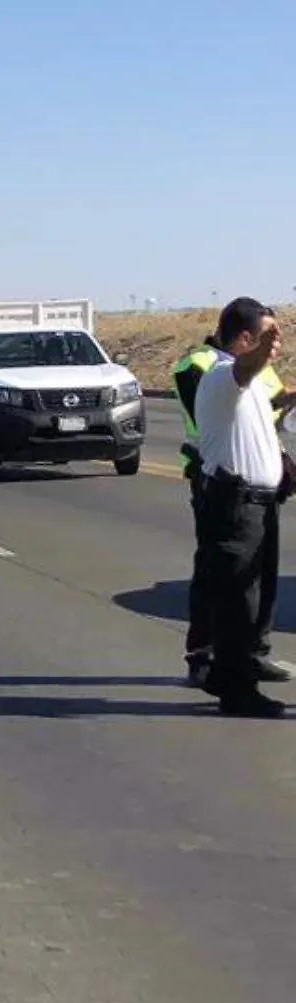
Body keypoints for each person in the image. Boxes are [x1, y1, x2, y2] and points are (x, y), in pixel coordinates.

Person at [175, 332, 295, 687]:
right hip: (217, 473)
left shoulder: (254, 366)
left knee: (259, 573)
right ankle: (203, 655)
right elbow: (215, 412)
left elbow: (269, 403)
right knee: (218, 570)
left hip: (257, 478)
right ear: (246, 336)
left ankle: (253, 653)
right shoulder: (199, 365)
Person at [193, 298, 288, 717]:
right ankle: (236, 691)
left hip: (259, 506)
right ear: (245, 339)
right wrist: (259, 355)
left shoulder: (247, 386)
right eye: (266, 337)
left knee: (257, 597)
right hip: (236, 506)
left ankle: (230, 672)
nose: (276, 348)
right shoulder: (221, 376)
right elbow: (242, 371)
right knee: (239, 604)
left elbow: (260, 411)